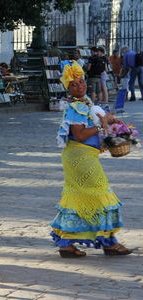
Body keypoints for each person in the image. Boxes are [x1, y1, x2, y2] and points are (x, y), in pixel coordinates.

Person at [50, 62, 131, 258]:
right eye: (74, 84)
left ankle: (67, 244)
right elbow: (79, 134)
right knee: (101, 192)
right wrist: (102, 126)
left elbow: (94, 119)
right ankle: (109, 242)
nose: (80, 86)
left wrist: (111, 121)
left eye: (81, 82)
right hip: (80, 156)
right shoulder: (74, 107)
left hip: (84, 155)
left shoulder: (84, 102)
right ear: (68, 88)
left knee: (78, 196)